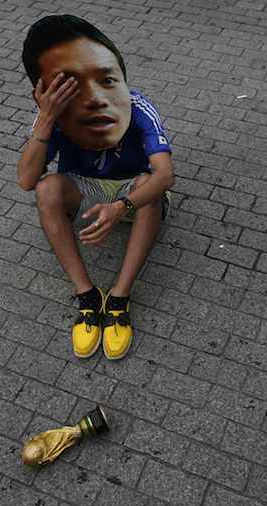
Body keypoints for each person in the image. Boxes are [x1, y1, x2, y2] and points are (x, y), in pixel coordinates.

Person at [17, 15, 174, 361]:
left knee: (151, 185)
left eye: (107, 80)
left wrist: (122, 206)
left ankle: (119, 297)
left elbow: (165, 176)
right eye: (71, 88)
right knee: (47, 190)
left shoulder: (138, 107)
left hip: (133, 191)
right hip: (86, 191)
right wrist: (45, 120)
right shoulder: (52, 119)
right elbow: (27, 180)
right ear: (45, 96)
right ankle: (88, 296)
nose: (97, 99)